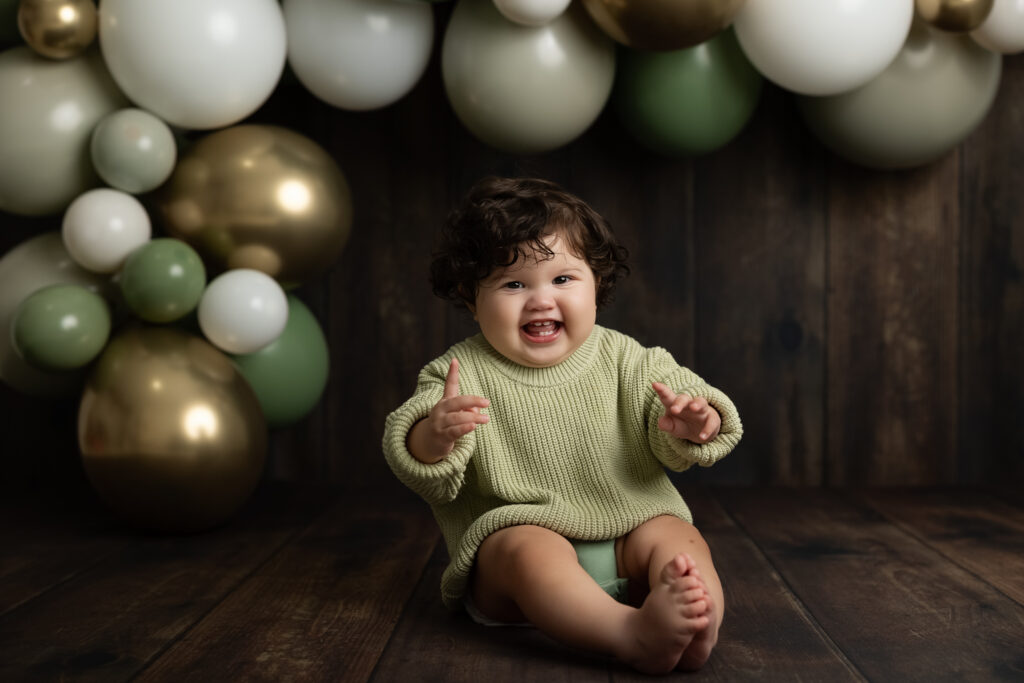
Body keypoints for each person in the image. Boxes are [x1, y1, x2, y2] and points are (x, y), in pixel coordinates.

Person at [382, 176, 742, 674]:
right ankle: (629, 634)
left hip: (626, 536)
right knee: (526, 547)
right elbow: (412, 445)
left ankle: (699, 626)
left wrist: (696, 420)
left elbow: (691, 402)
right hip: (517, 565)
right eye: (513, 284)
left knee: (676, 535)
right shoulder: (458, 373)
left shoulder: (626, 358)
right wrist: (434, 435)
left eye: (563, 279)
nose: (540, 300)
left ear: (597, 284)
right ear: (471, 297)